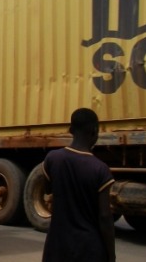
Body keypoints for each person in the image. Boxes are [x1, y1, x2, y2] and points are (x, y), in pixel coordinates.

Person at [42, 108, 115, 262]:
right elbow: (105, 216)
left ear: (71, 130)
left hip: (57, 246)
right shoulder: (100, 169)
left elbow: (48, 190)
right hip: (88, 249)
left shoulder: (52, 159)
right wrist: (111, 254)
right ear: (95, 131)